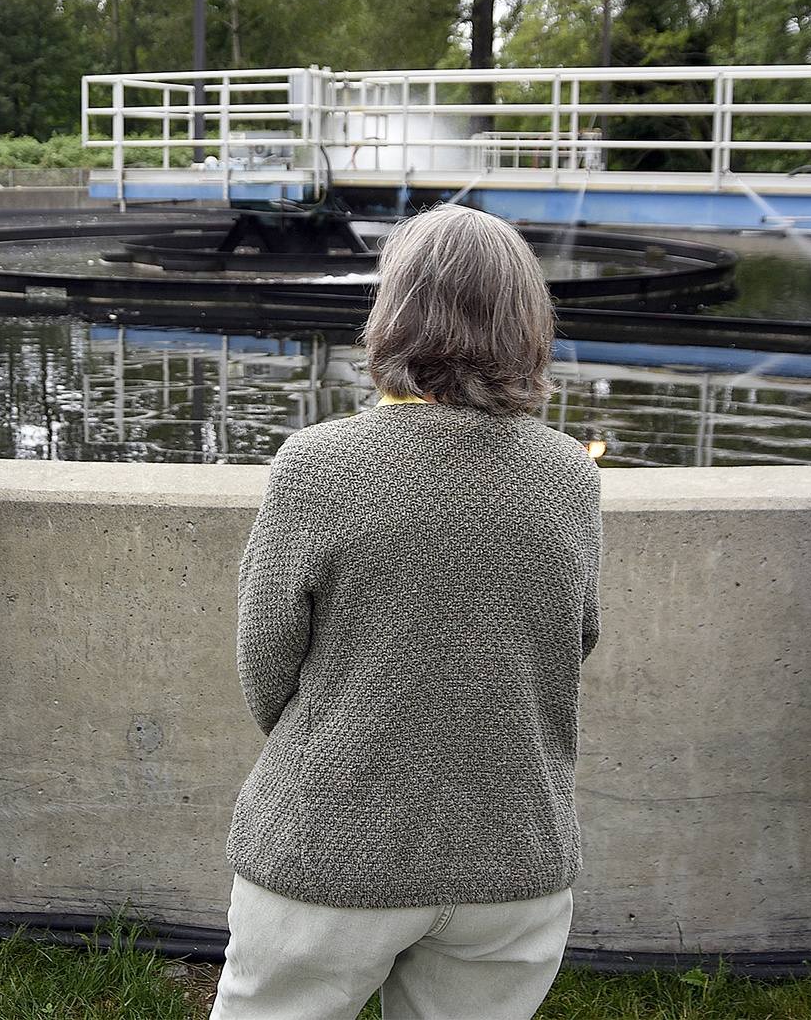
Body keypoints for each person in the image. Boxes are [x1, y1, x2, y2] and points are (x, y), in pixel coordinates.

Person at [211, 204, 602, 1020]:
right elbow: (576, 638)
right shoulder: (570, 474)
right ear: (527, 322)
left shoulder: (317, 465)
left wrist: (341, 738)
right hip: (514, 854)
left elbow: (265, 663)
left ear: (393, 312)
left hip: (329, 849)